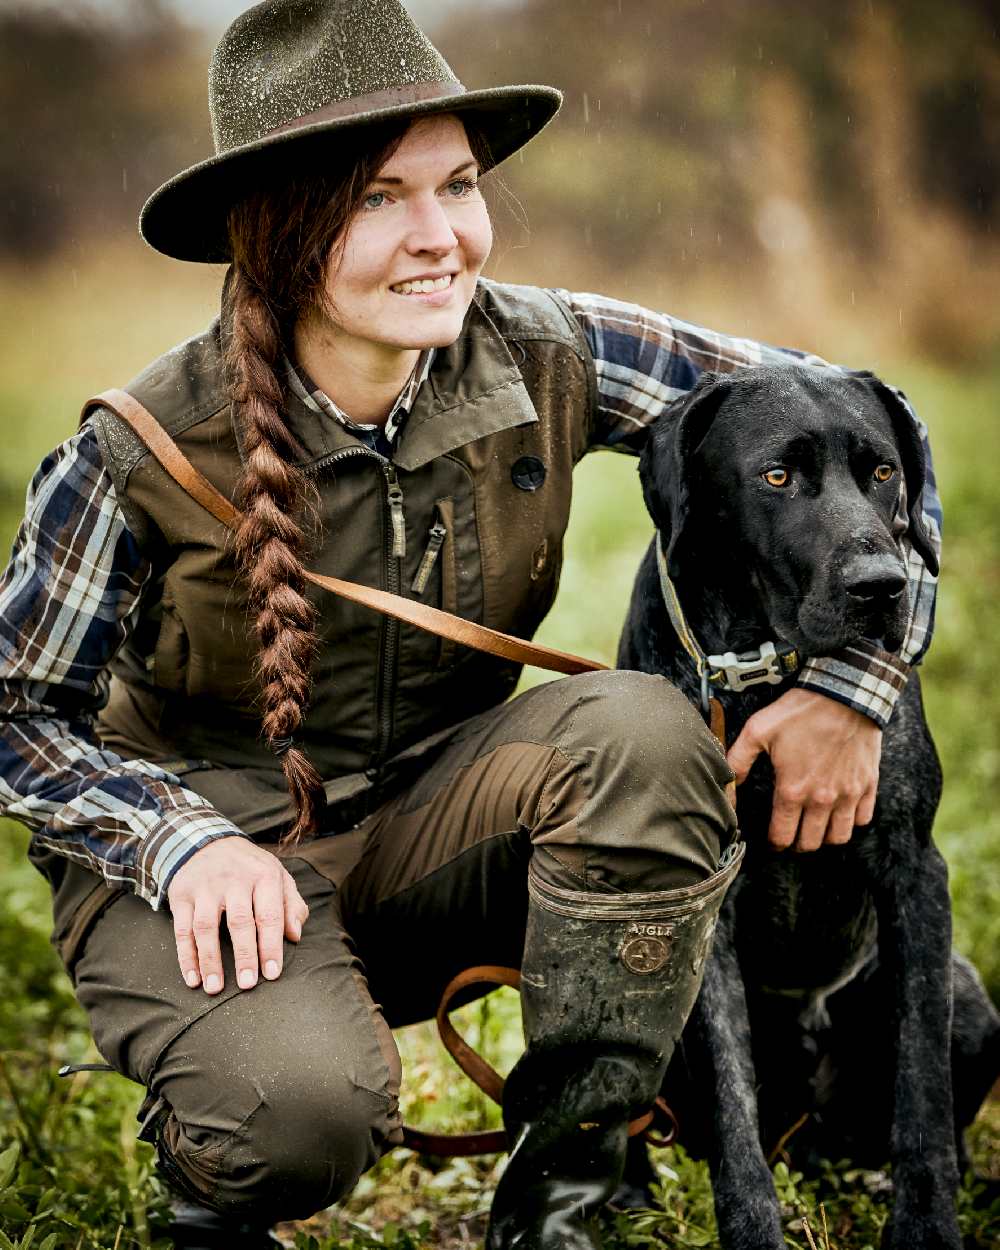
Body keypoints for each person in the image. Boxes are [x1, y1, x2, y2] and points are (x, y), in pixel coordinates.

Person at [0, 2, 940, 1248]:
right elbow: (17, 711)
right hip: (217, 866)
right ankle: (215, 1152)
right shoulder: (138, 446)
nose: (441, 235)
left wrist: (853, 685)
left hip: (442, 823)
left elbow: (865, 424)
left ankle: (565, 1193)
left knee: (644, 731)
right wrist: (178, 841)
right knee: (293, 1116)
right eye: (378, 197)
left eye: (457, 184)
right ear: (277, 229)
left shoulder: (549, 349)